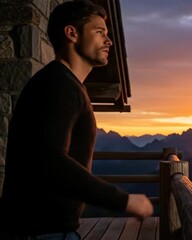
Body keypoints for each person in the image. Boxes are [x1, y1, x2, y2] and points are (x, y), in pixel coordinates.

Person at [0, 1, 153, 239]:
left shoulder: (62, 83)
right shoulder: (59, 85)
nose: (109, 41)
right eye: (99, 32)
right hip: (43, 232)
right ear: (72, 33)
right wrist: (124, 200)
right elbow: (51, 160)